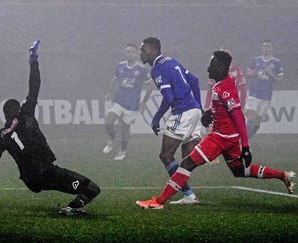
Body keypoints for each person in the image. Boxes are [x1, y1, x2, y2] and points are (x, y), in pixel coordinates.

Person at [0, 41, 100, 216]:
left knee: (61, 181)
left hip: (32, 181)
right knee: (91, 188)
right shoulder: (26, 114)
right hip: (47, 172)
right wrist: (33, 60)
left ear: (4, 115)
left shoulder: (3, 135)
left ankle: (70, 201)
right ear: (18, 109)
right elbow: (35, 85)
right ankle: (73, 208)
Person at [136, 50, 295, 210]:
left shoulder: (225, 89)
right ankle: (283, 176)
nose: (207, 68)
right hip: (228, 136)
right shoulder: (222, 84)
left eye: (211, 65)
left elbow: (238, 116)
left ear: (220, 67)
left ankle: (158, 202)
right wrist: (208, 115)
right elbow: (222, 109)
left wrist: (245, 146)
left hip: (221, 137)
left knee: (187, 163)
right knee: (239, 170)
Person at [139, 37, 202, 204]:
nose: (141, 54)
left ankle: (188, 195)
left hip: (182, 112)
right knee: (186, 159)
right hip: (193, 110)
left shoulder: (158, 69)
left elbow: (169, 97)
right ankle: (189, 195)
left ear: (153, 50)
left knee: (166, 155)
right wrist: (199, 108)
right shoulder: (171, 61)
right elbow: (194, 81)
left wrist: (156, 118)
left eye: (143, 50)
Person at [103, 43, 154, 160]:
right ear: (125, 53)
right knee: (108, 121)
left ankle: (122, 151)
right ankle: (113, 139)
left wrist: (144, 101)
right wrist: (109, 94)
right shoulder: (120, 66)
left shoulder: (141, 69)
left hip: (132, 104)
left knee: (125, 128)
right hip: (119, 100)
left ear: (136, 54)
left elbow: (150, 85)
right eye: (128, 52)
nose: (130, 54)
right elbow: (114, 80)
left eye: (132, 52)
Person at [204, 47, 246, 164]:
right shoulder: (215, 69)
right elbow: (210, 89)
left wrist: (242, 104)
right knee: (213, 126)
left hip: (232, 102)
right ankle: (214, 155)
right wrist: (207, 105)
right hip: (219, 102)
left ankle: (242, 148)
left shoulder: (236, 70)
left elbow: (242, 88)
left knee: (233, 126)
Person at [245, 40, 283, 138]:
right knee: (251, 118)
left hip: (266, 95)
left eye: (268, 47)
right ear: (262, 48)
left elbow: (279, 80)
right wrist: (251, 73)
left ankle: (245, 140)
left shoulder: (276, 63)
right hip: (254, 93)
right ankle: (243, 143)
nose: (266, 48)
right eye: (264, 46)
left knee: (257, 122)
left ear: (272, 48)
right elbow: (248, 72)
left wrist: (271, 74)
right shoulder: (256, 60)